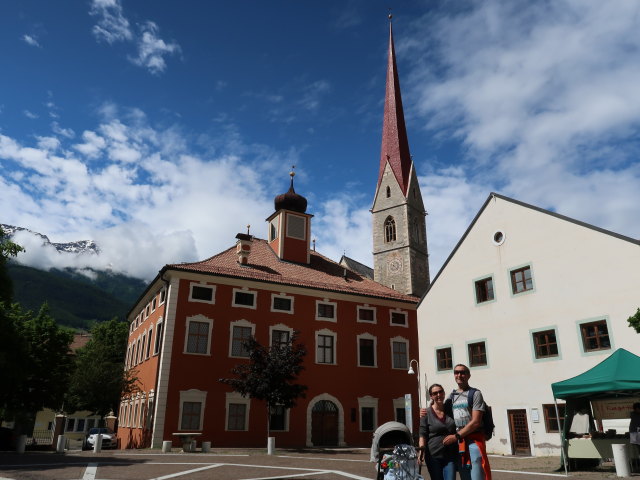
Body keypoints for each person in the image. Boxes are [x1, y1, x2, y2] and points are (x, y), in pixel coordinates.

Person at [446, 364, 492, 480]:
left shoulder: (475, 394)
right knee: (465, 475)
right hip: (460, 443)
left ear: (468, 375)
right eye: (456, 372)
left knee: (477, 475)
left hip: (474, 440)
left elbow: (476, 422)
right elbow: (438, 408)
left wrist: (456, 436)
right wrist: (424, 411)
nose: (459, 375)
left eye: (463, 372)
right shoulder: (452, 396)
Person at [418, 383, 457, 480]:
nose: (438, 395)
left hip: (450, 455)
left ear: (444, 393)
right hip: (433, 456)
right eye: (435, 393)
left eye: (440, 392)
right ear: (431, 396)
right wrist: (421, 452)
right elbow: (422, 434)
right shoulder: (426, 413)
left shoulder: (451, 410)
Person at [630, 402, 640, 472]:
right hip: (636, 435)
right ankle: (637, 466)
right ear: (637, 409)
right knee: (638, 451)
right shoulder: (635, 416)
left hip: (636, 435)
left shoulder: (634, 415)